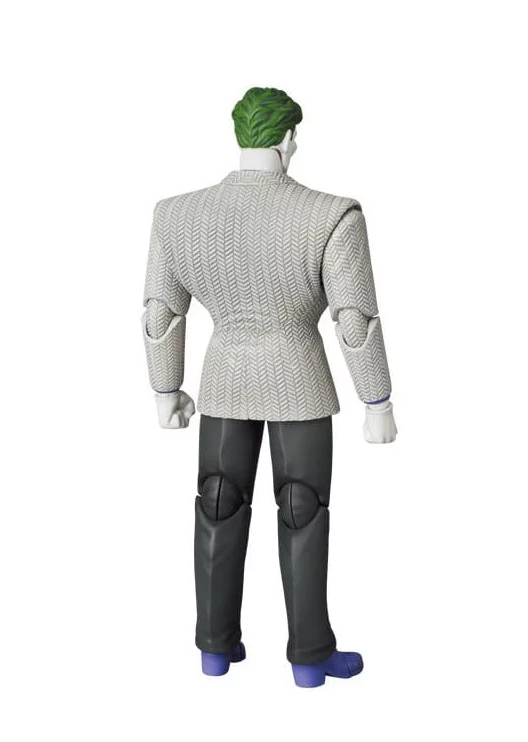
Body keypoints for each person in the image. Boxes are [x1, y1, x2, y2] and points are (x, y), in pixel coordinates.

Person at [142, 87, 397, 688]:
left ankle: (214, 649)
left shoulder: (178, 215)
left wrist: (165, 390)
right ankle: (309, 658)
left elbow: (160, 313)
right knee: (303, 510)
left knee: (217, 502)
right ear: (287, 139)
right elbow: (354, 320)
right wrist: (377, 401)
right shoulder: (331, 214)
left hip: (224, 379)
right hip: (298, 380)